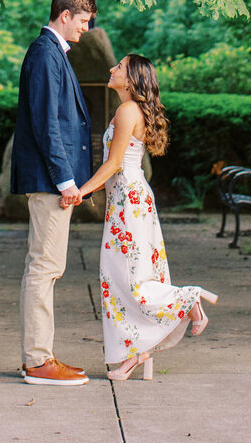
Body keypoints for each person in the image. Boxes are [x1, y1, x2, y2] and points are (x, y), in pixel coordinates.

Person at [74, 53, 217, 381]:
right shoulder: (126, 110)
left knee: (128, 281)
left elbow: (113, 164)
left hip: (129, 202)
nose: (112, 69)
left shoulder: (126, 111)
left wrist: (81, 192)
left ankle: (188, 298)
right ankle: (135, 353)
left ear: (132, 79)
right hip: (129, 200)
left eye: (119, 67)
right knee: (122, 280)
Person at [10, 0, 95, 386]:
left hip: (51, 182)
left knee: (47, 268)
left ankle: (39, 356)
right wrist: (65, 180)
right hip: (49, 182)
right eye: (82, 21)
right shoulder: (45, 54)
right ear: (65, 15)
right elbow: (48, 125)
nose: (85, 29)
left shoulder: (51, 54)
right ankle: (38, 361)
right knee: (44, 269)